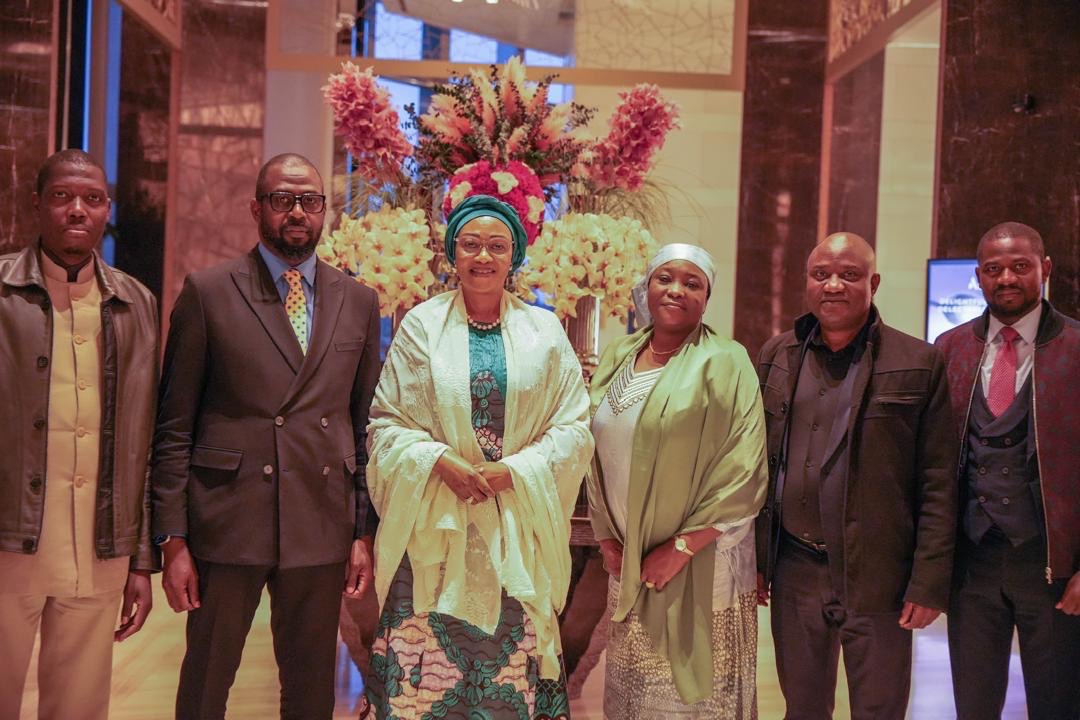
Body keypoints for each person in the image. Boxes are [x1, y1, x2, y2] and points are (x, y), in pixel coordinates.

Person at [151, 153, 382, 719]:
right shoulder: (208, 292)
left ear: (325, 210)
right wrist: (172, 538)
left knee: (309, 692)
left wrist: (362, 532)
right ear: (256, 208)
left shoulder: (358, 300)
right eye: (282, 199)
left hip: (320, 519)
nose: (297, 212)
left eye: (309, 200)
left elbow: (364, 427)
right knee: (206, 683)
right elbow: (174, 426)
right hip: (228, 518)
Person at [365, 194, 594, 719]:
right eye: (471, 244)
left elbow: (574, 427)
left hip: (514, 527)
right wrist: (437, 460)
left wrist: (516, 471)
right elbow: (387, 423)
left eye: (497, 246)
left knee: (507, 682)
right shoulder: (421, 326)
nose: (483, 257)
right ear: (451, 253)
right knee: (426, 683)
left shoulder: (545, 330)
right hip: (434, 528)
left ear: (515, 257)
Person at [755, 232, 958, 720]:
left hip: (880, 576)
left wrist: (928, 581)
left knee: (880, 708)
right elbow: (758, 465)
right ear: (806, 281)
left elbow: (939, 480)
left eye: (849, 275)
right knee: (802, 708)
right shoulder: (777, 356)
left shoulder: (917, 362)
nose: (833, 285)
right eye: (821, 273)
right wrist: (759, 557)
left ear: (874, 282)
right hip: (796, 569)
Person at [0, 149, 158, 720]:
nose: (77, 210)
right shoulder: (2, 292)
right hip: (7, 541)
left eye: (92, 199)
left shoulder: (136, 304)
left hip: (99, 545)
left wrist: (140, 560)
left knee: (79, 710)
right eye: (63, 196)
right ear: (37, 203)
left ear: (106, 210)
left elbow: (145, 442)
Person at [586, 243, 769, 718]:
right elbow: (592, 451)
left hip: (703, 564)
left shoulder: (727, 360)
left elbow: (744, 467)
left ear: (707, 299)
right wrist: (607, 537)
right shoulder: (619, 355)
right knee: (633, 694)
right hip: (629, 559)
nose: (676, 290)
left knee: (691, 703)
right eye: (665, 278)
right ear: (646, 287)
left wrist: (683, 547)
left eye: (693, 283)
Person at [935, 221, 1080, 719]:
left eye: (1020, 266)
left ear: (1045, 268)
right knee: (973, 707)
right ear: (978, 277)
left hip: (1053, 568)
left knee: (1058, 705)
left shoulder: (1078, 349)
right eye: (994, 269)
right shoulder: (949, 350)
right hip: (971, 569)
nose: (1007, 278)